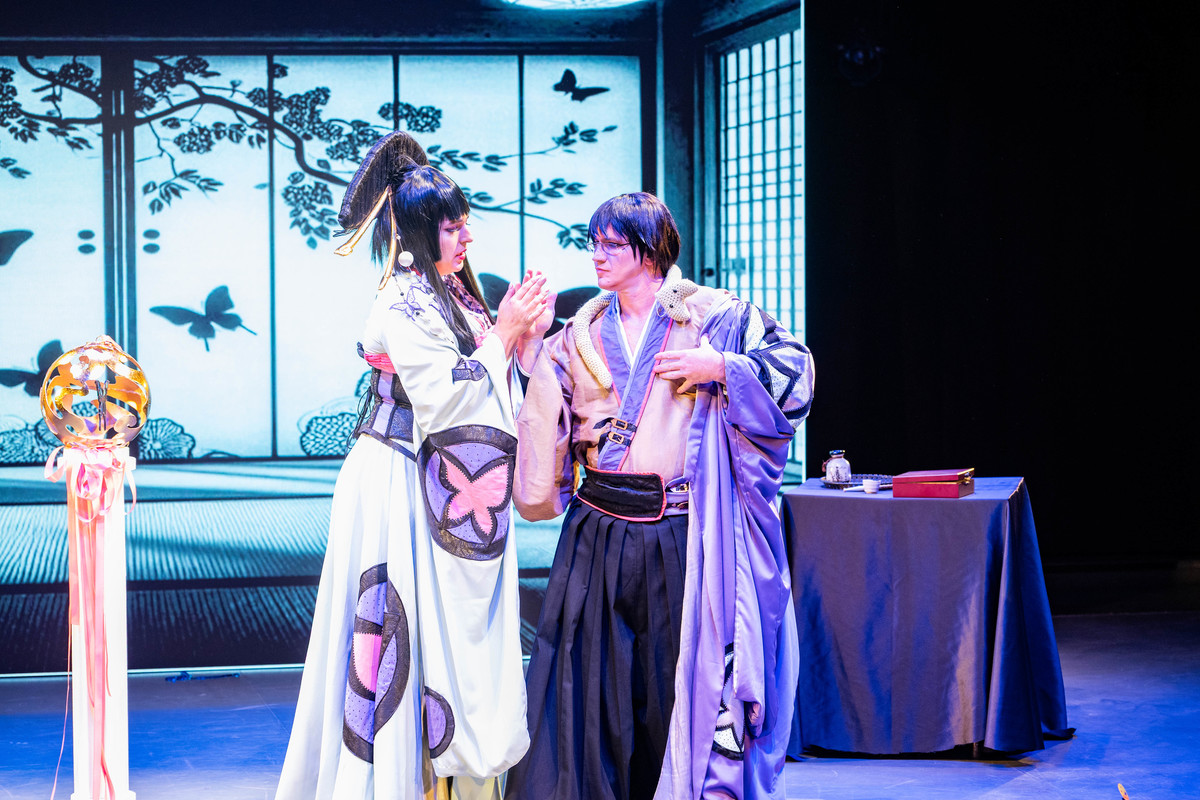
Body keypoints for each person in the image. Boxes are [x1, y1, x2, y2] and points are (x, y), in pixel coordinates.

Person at [507, 193, 814, 800]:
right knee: (587, 686)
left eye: (611, 245)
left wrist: (721, 367)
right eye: (594, 244)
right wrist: (529, 356)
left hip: (680, 530)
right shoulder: (579, 334)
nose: (597, 256)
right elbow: (549, 424)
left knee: (672, 681)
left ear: (649, 252)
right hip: (597, 529)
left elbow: (796, 371)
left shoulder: (716, 316)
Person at [275, 131, 547, 800]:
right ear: (421, 235)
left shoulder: (450, 293)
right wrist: (503, 335)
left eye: (465, 223)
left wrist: (523, 342)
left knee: (443, 629)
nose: (466, 237)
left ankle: (449, 773)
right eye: (452, 228)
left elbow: (487, 386)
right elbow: (447, 399)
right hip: (396, 475)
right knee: (397, 625)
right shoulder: (401, 301)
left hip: (435, 476)